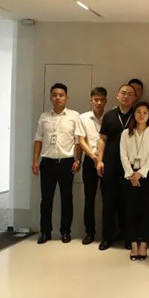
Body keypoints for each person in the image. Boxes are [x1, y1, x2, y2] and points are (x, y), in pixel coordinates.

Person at [32, 83, 83, 244]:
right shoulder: (44, 117)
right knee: (46, 200)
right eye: (54, 95)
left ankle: (65, 232)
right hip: (47, 163)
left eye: (61, 95)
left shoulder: (74, 116)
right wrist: (35, 161)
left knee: (66, 199)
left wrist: (77, 160)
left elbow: (78, 141)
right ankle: (45, 232)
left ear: (66, 97)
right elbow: (38, 139)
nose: (57, 98)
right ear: (50, 97)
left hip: (67, 163)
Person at [96, 84, 136, 250]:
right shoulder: (109, 115)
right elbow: (102, 139)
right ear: (117, 95)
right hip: (111, 164)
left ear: (135, 98)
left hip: (132, 166)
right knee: (108, 203)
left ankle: (129, 238)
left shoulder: (138, 114)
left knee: (129, 203)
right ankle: (107, 238)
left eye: (130, 94)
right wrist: (99, 160)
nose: (126, 96)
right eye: (123, 93)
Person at [120, 101, 149, 261]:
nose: (141, 115)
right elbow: (123, 155)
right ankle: (133, 245)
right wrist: (131, 174)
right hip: (129, 175)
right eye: (138, 112)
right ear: (134, 114)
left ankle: (143, 244)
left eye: (145, 112)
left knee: (146, 210)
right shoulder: (126, 133)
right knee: (130, 210)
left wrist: (140, 173)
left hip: (148, 174)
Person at [77, 86, 107, 245]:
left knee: (108, 198)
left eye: (102, 100)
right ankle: (90, 232)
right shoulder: (83, 118)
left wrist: (100, 159)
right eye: (96, 99)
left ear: (106, 100)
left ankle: (107, 234)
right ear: (91, 100)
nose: (99, 102)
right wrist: (94, 157)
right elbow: (81, 141)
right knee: (89, 198)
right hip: (90, 161)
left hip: (107, 161)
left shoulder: (109, 116)